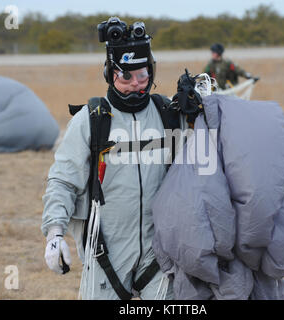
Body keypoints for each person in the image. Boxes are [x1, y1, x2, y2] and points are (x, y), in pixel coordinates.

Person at [41, 17, 186, 300]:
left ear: (152, 71)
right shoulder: (91, 120)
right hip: (106, 252)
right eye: (126, 76)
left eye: (142, 75)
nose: (135, 84)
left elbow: (206, 166)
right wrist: (55, 232)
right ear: (110, 73)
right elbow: (63, 180)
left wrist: (202, 109)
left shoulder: (169, 113)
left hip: (161, 254)